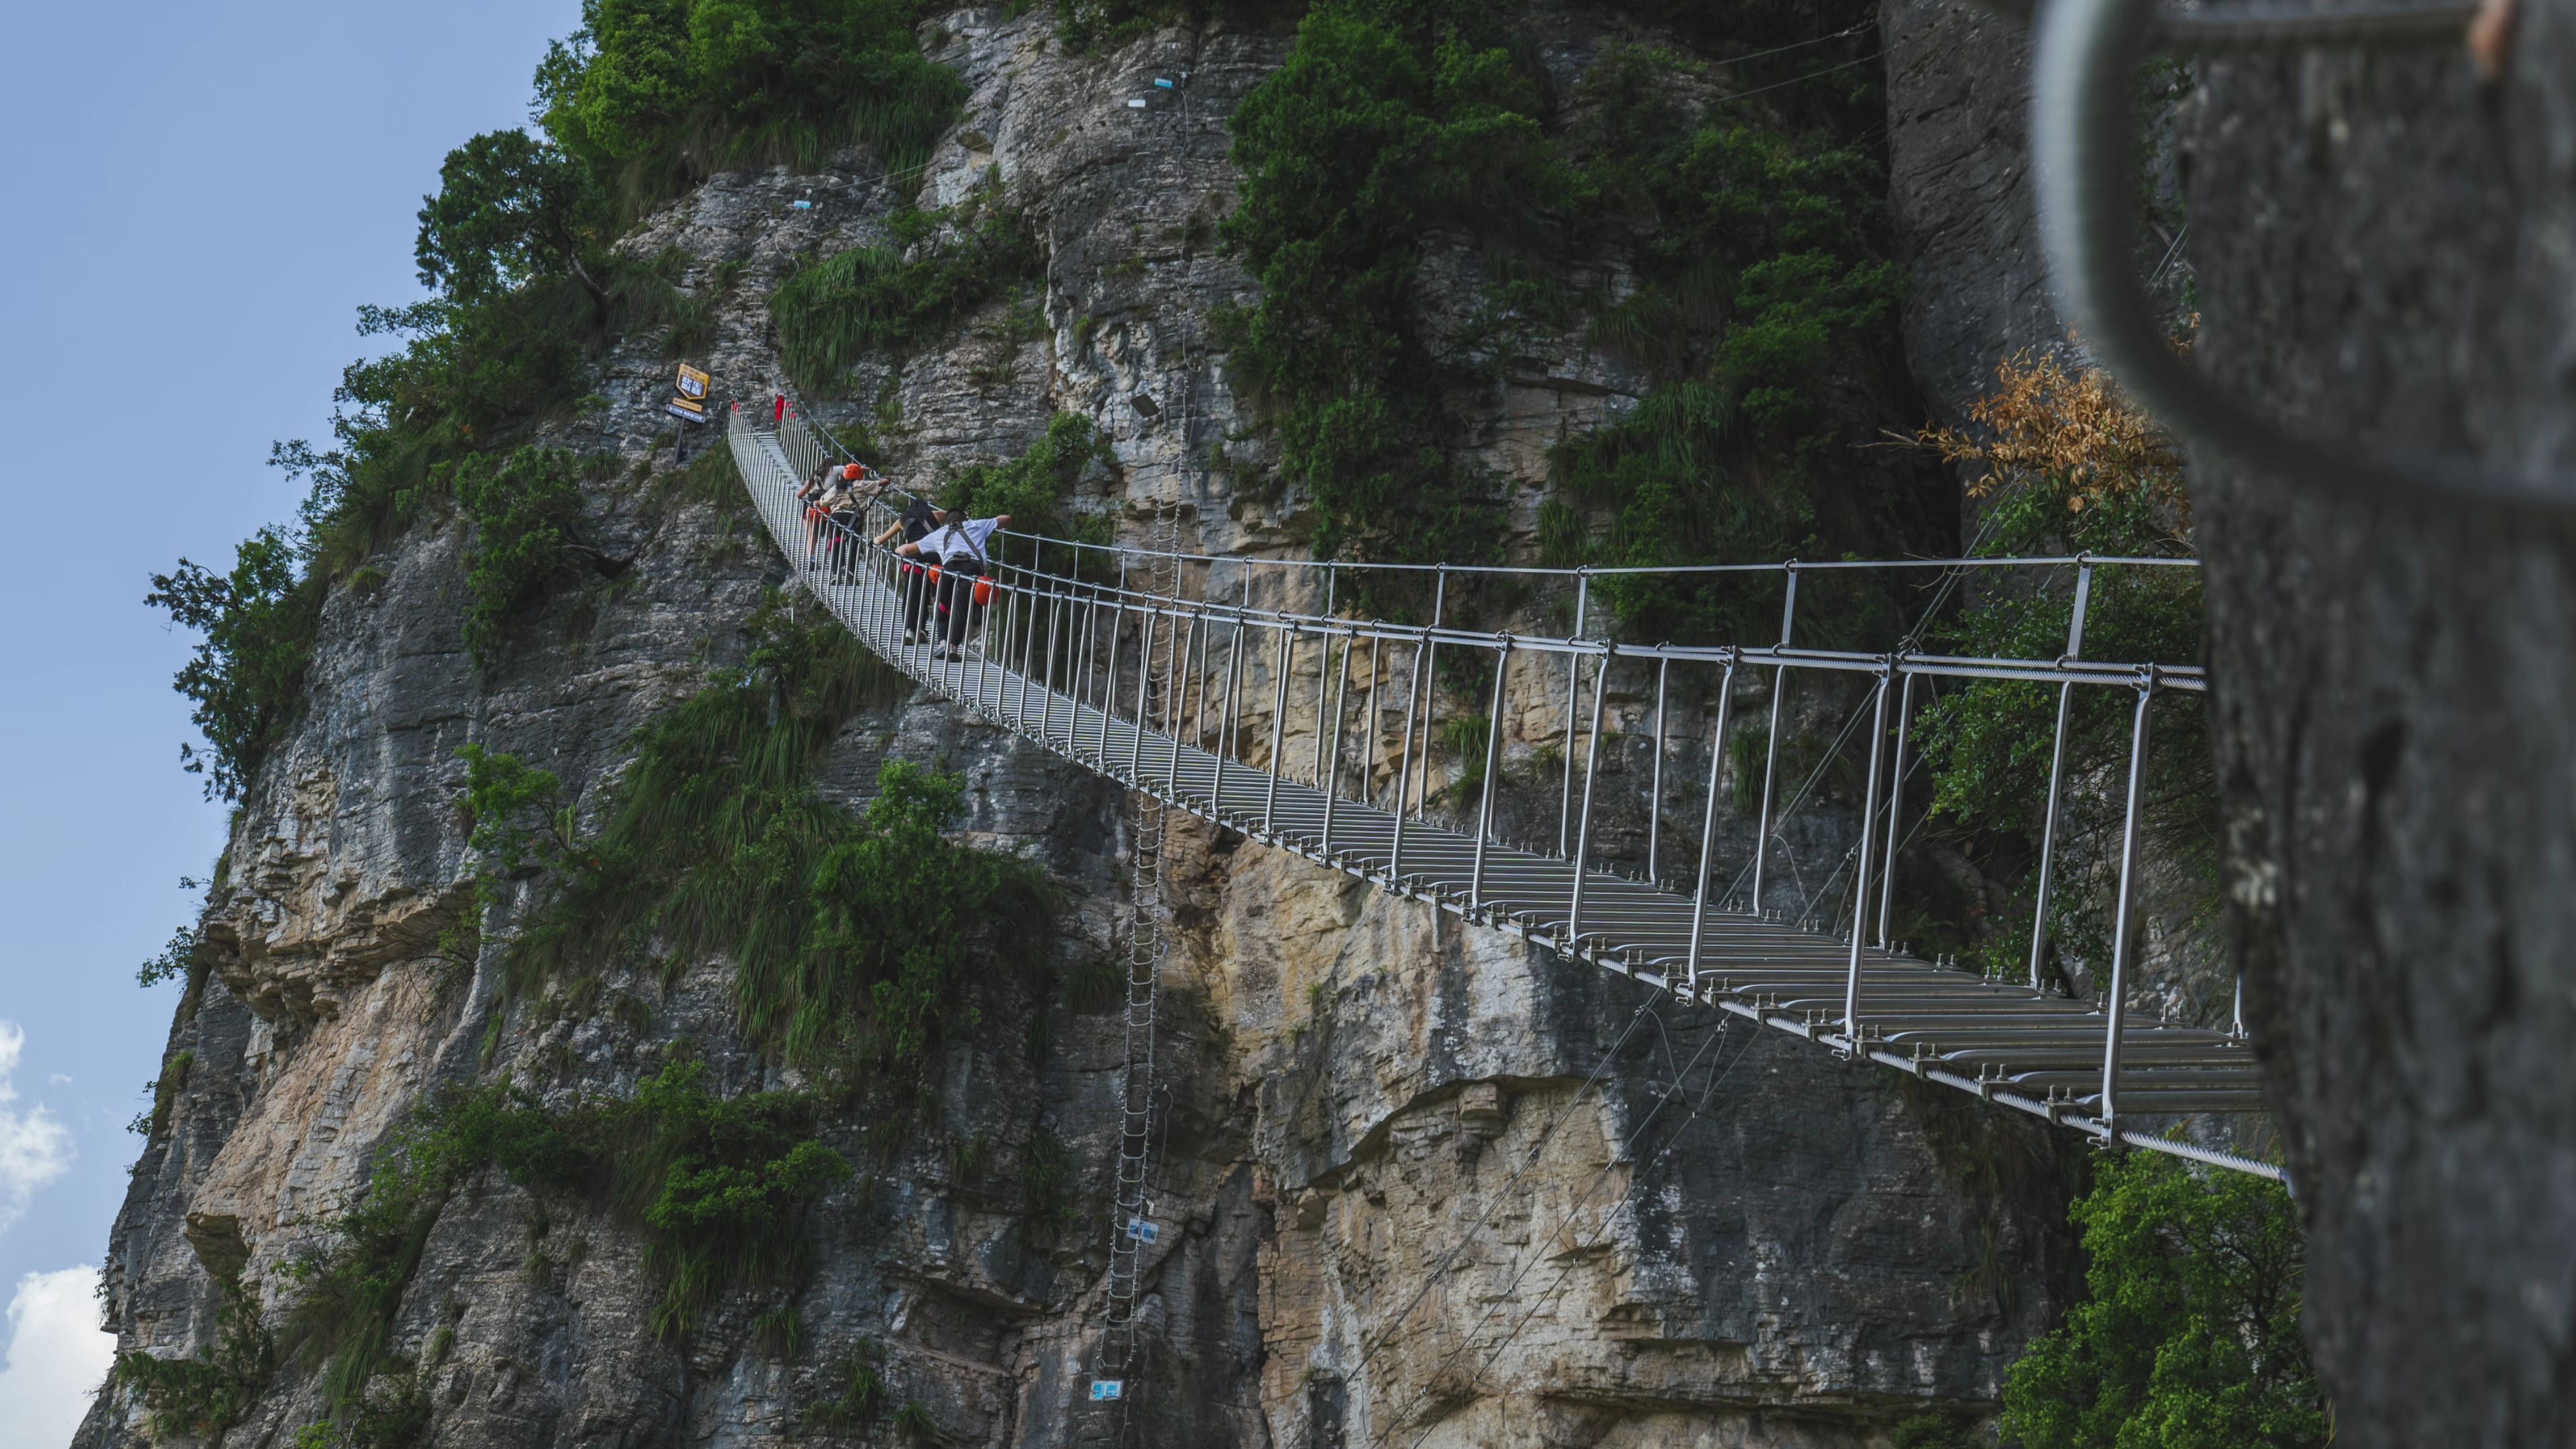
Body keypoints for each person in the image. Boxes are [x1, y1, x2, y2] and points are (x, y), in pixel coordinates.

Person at [899, 508, 1012, 660]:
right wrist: (989, 521)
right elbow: (1006, 518)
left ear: (947, 522)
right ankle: (953, 648)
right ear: (965, 519)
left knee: (944, 609)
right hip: (972, 570)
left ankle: (943, 644)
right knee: (961, 609)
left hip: (949, 570)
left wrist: (892, 551)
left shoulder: (940, 533)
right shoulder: (978, 525)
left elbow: (907, 549)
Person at [876, 496, 943, 643]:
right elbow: (952, 516)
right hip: (933, 560)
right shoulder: (935, 515)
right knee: (925, 594)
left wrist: (873, 542)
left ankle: (910, 630)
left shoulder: (902, 520)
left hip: (912, 558)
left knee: (911, 592)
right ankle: (922, 628)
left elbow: (881, 540)